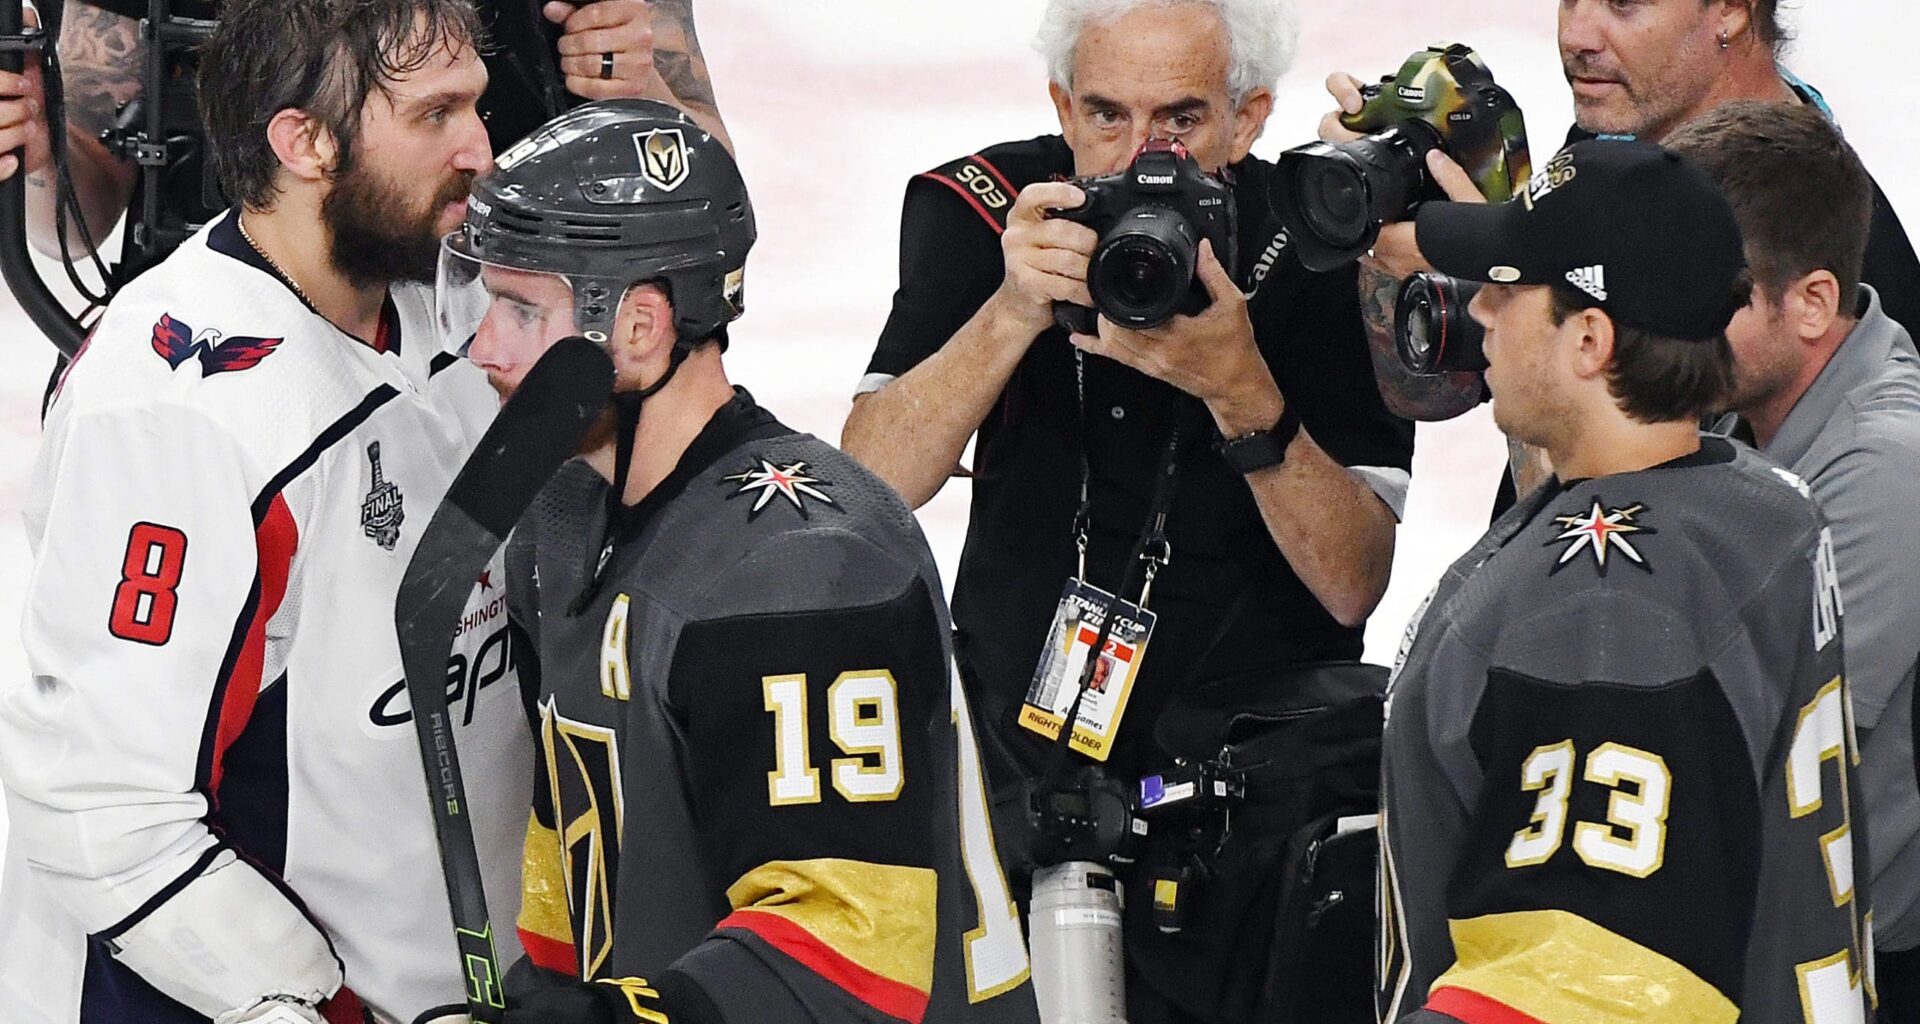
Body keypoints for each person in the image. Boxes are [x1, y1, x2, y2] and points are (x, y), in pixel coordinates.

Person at [841, 2, 1412, 1016]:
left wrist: (1242, 391)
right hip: (1016, 787)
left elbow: (1352, 577)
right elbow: (874, 483)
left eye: (1181, 120)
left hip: (1249, 818)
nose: (1144, 156)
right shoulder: (988, 214)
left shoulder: (1319, 247)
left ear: (1250, 118)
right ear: (1062, 104)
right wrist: (1012, 309)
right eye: (1105, 114)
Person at [436, 97, 1039, 1024]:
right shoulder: (560, 520)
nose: (484, 347)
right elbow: (576, 878)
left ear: (638, 326)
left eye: (521, 309)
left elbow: (843, 965)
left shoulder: (801, 573)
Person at [0, 2, 541, 1021]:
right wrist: (312, 1006)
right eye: (435, 116)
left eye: (476, 103)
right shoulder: (178, 412)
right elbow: (104, 810)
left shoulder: (449, 300)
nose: (480, 145)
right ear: (305, 143)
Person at [1379, 137, 1872, 1022]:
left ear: (1590, 339)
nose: (1481, 309)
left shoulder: (1603, 600)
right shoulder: (1754, 507)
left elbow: (1585, 985)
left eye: (1509, 286)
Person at [1322, 0, 1920, 491]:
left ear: (1732, 11)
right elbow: (1424, 391)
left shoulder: (1817, 273)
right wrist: (1385, 220)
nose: (1576, 34)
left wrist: (1512, 273)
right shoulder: (1615, 142)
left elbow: (1605, 538)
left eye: (1624, 5)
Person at [1664, 100, 1920, 1022]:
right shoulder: (1744, 400)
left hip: (1857, 976)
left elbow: (1746, 749)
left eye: (1708, 293)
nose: (1668, 321)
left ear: (1811, 302)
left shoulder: (1889, 468)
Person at [0, 0, 726, 283]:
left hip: (506, 359)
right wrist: (41, 152)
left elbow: (717, 195)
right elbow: (74, 225)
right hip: (226, 351)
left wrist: (640, 92)